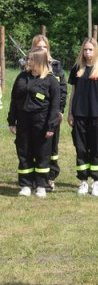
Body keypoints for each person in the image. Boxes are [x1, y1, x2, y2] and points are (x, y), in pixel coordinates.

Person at [8, 49, 60, 197]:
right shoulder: (21, 77)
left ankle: (41, 185)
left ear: (40, 61)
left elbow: (54, 106)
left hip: (42, 122)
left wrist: (51, 126)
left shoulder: (51, 81)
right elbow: (14, 100)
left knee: (42, 154)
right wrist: (12, 121)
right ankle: (26, 184)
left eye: (31, 59)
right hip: (23, 121)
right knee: (24, 152)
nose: (27, 62)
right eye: (27, 59)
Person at [67, 37, 98, 197]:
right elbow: (73, 93)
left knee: (97, 150)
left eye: (90, 49)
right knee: (81, 149)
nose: (87, 52)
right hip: (79, 115)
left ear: (96, 50)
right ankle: (83, 181)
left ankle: (96, 182)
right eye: (85, 49)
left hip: (96, 116)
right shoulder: (77, 69)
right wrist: (70, 113)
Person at [31, 35, 67, 191]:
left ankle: (51, 177)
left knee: (52, 147)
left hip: (52, 115)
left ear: (48, 48)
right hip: (33, 116)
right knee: (34, 146)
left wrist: (60, 111)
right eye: (38, 47)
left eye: (44, 47)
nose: (42, 50)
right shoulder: (29, 66)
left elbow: (63, 91)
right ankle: (35, 178)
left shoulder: (56, 67)